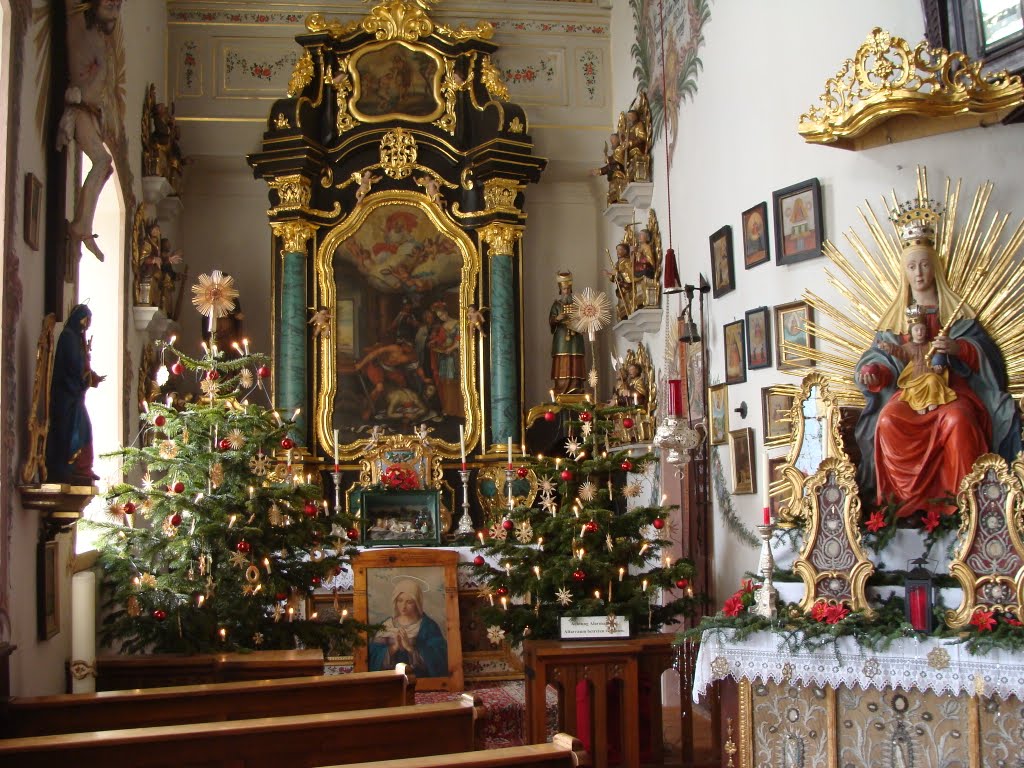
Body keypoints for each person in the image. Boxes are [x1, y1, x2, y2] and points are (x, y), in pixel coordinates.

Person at [855, 203, 1021, 518]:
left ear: (936, 268)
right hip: (912, 393)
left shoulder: (957, 315)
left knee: (957, 421)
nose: (919, 273)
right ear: (903, 272)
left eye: (925, 265)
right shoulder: (895, 320)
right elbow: (883, 358)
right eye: (912, 267)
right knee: (888, 422)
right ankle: (900, 510)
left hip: (952, 392)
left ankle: (964, 508)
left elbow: (988, 358)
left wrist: (960, 349)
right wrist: (872, 372)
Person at [58, 0, 124, 261]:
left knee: (105, 165)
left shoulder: (100, 38)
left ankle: (83, 226)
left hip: (91, 112)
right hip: (81, 109)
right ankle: (81, 227)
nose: (116, 4)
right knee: (103, 161)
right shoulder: (79, 27)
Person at [46, 304, 105, 484]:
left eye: (89, 321)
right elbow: (72, 367)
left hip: (75, 395)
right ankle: (71, 467)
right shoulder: (68, 338)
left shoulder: (76, 339)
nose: (87, 325)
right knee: (75, 430)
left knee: (84, 429)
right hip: (67, 395)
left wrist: (89, 376)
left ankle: (83, 468)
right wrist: (87, 378)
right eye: (85, 320)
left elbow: (79, 367)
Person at [877, 305, 956, 415]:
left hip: (929, 372)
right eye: (916, 330)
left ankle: (932, 400)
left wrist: (938, 367)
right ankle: (919, 404)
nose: (919, 332)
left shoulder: (930, 345)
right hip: (915, 375)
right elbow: (899, 351)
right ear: (911, 332)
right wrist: (888, 347)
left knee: (932, 380)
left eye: (922, 329)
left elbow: (939, 358)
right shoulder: (908, 347)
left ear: (926, 331)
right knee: (913, 390)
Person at [368, 578, 448, 678]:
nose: (403, 606)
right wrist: (393, 648)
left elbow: (440, 660)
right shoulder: (387, 625)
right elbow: (371, 658)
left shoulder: (428, 626)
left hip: (422, 683)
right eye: (400, 600)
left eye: (409, 602)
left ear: (417, 603)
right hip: (391, 683)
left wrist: (410, 648)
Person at [549, 271, 585, 395]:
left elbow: (584, 320)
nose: (567, 291)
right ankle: (561, 388)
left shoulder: (578, 304)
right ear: (560, 290)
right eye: (564, 289)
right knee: (562, 359)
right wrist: (557, 318)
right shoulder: (556, 305)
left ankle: (575, 386)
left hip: (575, 337)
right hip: (561, 338)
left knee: (574, 358)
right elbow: (551, 321)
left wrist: (580, 321)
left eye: (568, 289)